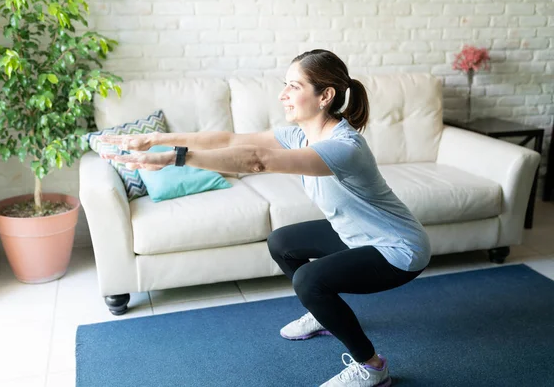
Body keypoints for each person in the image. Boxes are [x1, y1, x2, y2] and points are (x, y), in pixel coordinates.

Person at [99, 49, 431, 387]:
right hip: (355, 234)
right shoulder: (301, 135)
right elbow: (229, 139)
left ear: (325, 96)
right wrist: (156, 140)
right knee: (282, 243)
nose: (282, 94)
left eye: (293, 86)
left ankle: (373, 367)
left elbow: (256, 160)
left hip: (397, 249)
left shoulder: (344, 147)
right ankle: (324, 314)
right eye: (284, 84)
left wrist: (174, 159)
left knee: (310, 281)